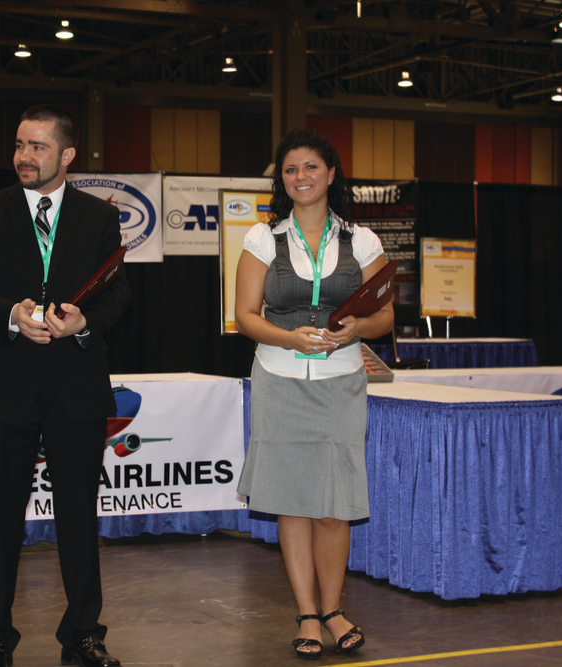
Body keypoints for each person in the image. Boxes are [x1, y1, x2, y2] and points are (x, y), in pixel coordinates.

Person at [0, 104, 131, 667]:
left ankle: (84, 635)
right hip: (4, 383)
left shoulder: (99, 217)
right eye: (19, 145)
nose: (23, 156)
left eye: (37, 146)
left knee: (78, 515)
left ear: (67, 154)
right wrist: (10, 314)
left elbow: (117, 292)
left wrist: (84, 323)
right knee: (0, 516)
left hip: (76, 384)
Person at [234, 128, 393, 660]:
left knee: (334, 508)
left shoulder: (362, 240)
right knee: (292, 504)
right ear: (281, 180)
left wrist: (358, 330)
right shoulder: (263, 238)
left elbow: (385, 316)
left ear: (330, 174)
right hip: (278, 382)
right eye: (290, 169)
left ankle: (333, 610)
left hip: (341, 384)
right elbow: (245, 316)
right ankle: (306, 613)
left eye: (310, 167)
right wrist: (290, 338)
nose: (300, 177)